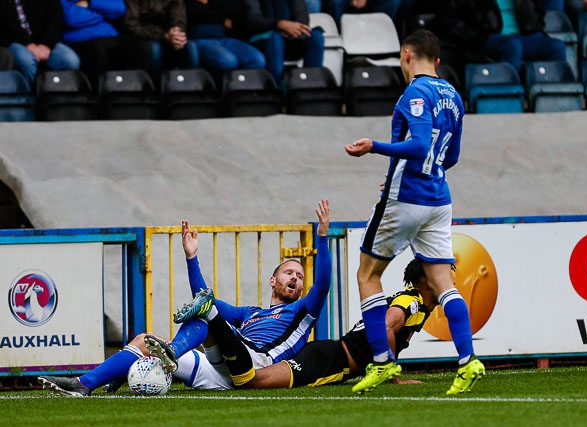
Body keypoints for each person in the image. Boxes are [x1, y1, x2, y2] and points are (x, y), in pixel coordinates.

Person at [38, 199, 331, 396]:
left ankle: (170, 354)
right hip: (222, 371)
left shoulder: (302, 311)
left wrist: (321, 237)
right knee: (144, 340)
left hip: (255, 366)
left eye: (300, 275)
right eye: (288, 272)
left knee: (204, 317)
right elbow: (205, 298)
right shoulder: (250, 313)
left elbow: (324, 284)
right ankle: (83, 384)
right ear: (273, 280)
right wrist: (191, 257)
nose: (295, 277)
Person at [343, 29, 484, 395]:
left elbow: (420, 144)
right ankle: (468, 361)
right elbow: (448, 157)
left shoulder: (415, 93)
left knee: (367, 275)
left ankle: (382, 362)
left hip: (406, 197)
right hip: (439, 198)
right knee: (443, 282)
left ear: (406, 55)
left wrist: (374, 146)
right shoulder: (453, 96)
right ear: (436, 60)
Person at [244, 258, 438, 389]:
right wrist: (391, 375)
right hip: (330, 361)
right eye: (444, 276)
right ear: (427, 281)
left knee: (252, 377)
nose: (451, 283)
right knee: (253, 381)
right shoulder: (411, 301)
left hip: (330, 354)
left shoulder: (416, 303)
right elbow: (384, 327)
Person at [432, 0, 566, 86]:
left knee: (557, 47)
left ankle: (557, 96)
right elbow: (447, 17)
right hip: (486, 37)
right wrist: (473, 36)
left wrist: (533, 23)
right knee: (512, 45)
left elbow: (537, 10)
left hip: (524, 35)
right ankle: (512, 94)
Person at [60, 0, 153, 89]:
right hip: (79, 40)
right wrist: (102, 14)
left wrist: (90, 3)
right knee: (98, 50)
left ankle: (133, 94)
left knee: (141, 48)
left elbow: (119, 8)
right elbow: (71, 18)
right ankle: (100, 95)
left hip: (110, 37)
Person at [241, 0, 325, 86]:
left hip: (289, 38)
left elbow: (302, 14)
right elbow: (253, 21)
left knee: (316, 36)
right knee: (275, 38)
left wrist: (295, 29)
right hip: (261, 39)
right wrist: (280, 24)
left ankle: (312, 85)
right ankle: (275, 87)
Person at [0, 0, 80, 88]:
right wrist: (28, 44)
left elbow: (55, 17)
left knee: (70, 59)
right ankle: (30, 96)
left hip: (44, 41)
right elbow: (6, 27)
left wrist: (45, 44)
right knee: (26, 61)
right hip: (14, 41)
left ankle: (60, 96)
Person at [185, 0, 266, 84]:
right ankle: (217, 92)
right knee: (228, 61)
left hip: (226, 38)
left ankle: (245, 92)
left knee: (257, 59)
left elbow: (237, 10)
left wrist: (211, 3)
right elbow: (194, 9)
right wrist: (223, 18)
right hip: (200, 38)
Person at [121, 0, 199, 85]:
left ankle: (191, 88)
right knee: (155, 50)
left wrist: (177, 34)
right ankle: (156, 89)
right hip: (145, 36)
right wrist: (164, 36)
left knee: (190, 47)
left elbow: (179, 19)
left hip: (170, 36)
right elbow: (132, 27)